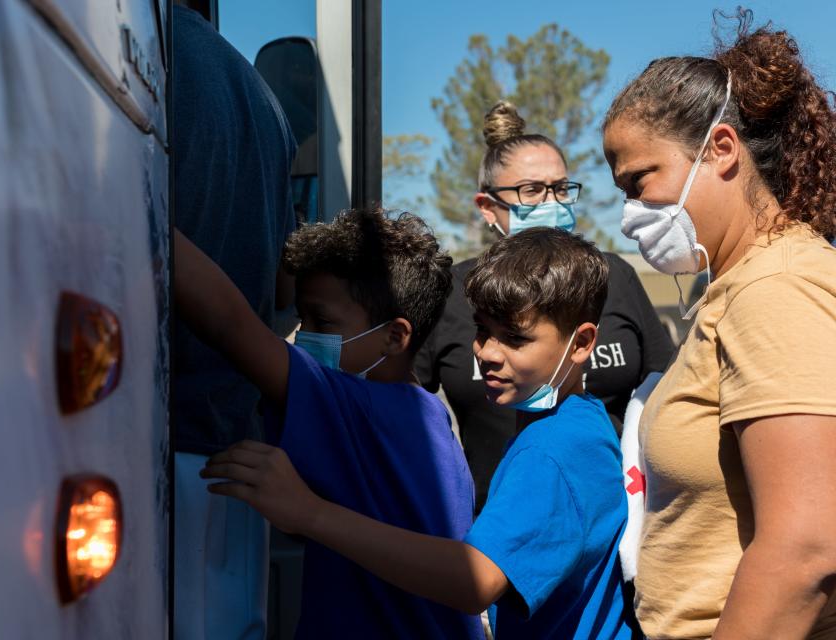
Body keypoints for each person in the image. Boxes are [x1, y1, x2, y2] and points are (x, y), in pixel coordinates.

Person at [203, 228, 635, 639]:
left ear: (581, 344)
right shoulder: (578, 425)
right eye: (483, 331)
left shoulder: (553, 450)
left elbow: (476, 579)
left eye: (514, 339)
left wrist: (309, 513)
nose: (487, 353)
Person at [601, 11, 836, 638]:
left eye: (638, 180)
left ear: (722, 150)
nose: (629, 215)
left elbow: (807, 551)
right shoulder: (734, 289)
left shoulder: (777, 289)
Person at [173, 208, 483, 640]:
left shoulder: (357, 407)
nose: (303, 336)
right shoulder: (429, 416)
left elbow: (230, 324)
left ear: (395, 337)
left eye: (322, 322)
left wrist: (145, 208)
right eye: (301, 319)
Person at [415, 101, 673, 510]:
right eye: (531, 191)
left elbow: (664, 392)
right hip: (497, 519)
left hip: (616, 514)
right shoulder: (450, 291)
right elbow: (409, 415)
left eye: (560, 188)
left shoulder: (615, 276)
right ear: (487, 207)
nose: (551, 202)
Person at [171, 5, 297, 638]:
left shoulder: (144, 53)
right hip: (236, 453)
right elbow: (286, 281)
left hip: (151, 443)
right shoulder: (261, 96)